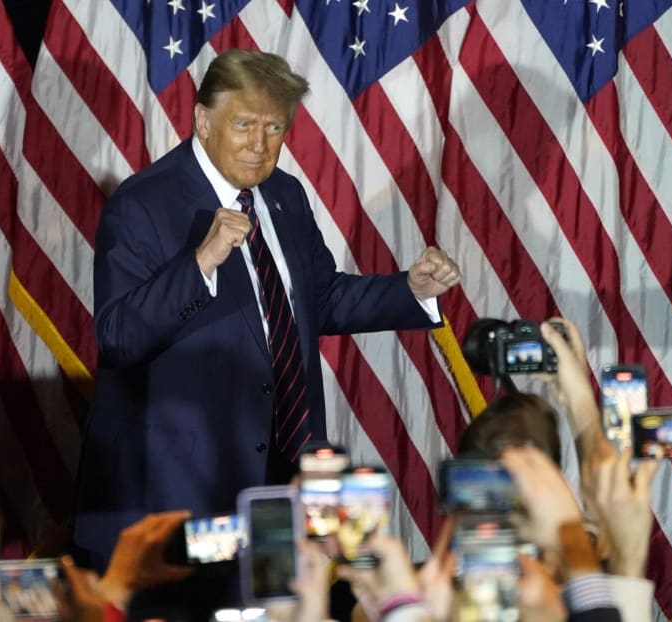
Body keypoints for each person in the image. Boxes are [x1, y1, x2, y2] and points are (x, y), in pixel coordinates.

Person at [71, 48, 461, 615]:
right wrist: (199, 262)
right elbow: (117, 336)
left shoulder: (285, 195)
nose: (260, 143)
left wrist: (412, 289)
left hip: (280, 486)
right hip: (179, 502)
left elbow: (319, 299)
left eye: (275, 127)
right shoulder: (143, 203)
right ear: (203, 120)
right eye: (245, 124)